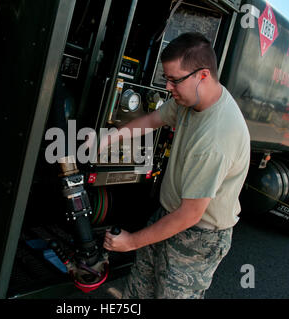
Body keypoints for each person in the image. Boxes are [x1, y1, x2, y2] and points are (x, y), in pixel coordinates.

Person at [101, 32, 251, 299]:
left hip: (198, 237)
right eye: (166, 78)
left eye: (174, 80)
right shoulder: (190, 101)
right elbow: (151, 121)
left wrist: (131, 242)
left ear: (202, 75)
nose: (167, 87)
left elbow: (190, 214)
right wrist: (107, 139)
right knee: (137, 293)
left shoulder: (216, 138)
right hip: (168, 216)